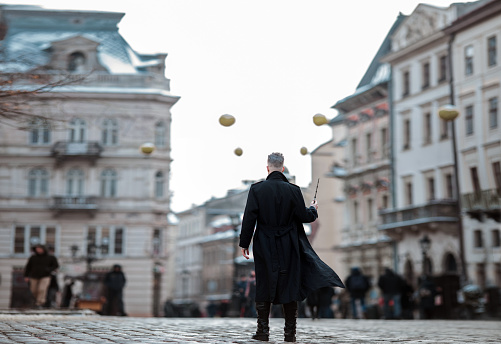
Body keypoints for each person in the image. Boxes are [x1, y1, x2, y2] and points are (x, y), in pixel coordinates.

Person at [240, 152, 345, 342]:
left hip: (264, 243)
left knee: (264, 283)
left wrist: (244, 243)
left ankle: (262, 331)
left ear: (267, 167)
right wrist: (313, 209)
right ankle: (290, 333)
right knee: (289, 284)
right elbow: (304, 217)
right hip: (288, 243)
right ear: (282, 167)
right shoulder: (293, 190)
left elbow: (249, 218)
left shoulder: (256, 189)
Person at [24, 244, 59, 308]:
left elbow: (56, 266)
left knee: (42, 289)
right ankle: (36, 300)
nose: (38, 250)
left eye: (39, 248)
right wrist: (26, 276)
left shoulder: (51, 257)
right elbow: (28, 267)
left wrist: (49, 270)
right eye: (37, 249)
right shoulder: (33, 258)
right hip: (34, 276)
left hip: (45, 276)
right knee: (33, 290)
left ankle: (40, 303)